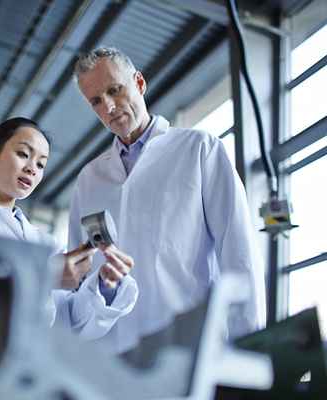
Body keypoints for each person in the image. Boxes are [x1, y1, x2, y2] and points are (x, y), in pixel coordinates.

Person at [69, 47, 266, 353]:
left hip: (186, 348)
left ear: (139, 83)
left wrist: (251, 350)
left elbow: (239, 254)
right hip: (111, 357)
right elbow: (78, 277)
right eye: (96, 101)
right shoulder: (89, 179)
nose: (108, 106)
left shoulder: (200, 150)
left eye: (115, 90)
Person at [0, 117, 138, 341]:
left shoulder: (44, 242)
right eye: (23, 154)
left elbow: (66, 321)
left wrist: (105, 286)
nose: (32, 168)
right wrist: (43, 277)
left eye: (41, 164)